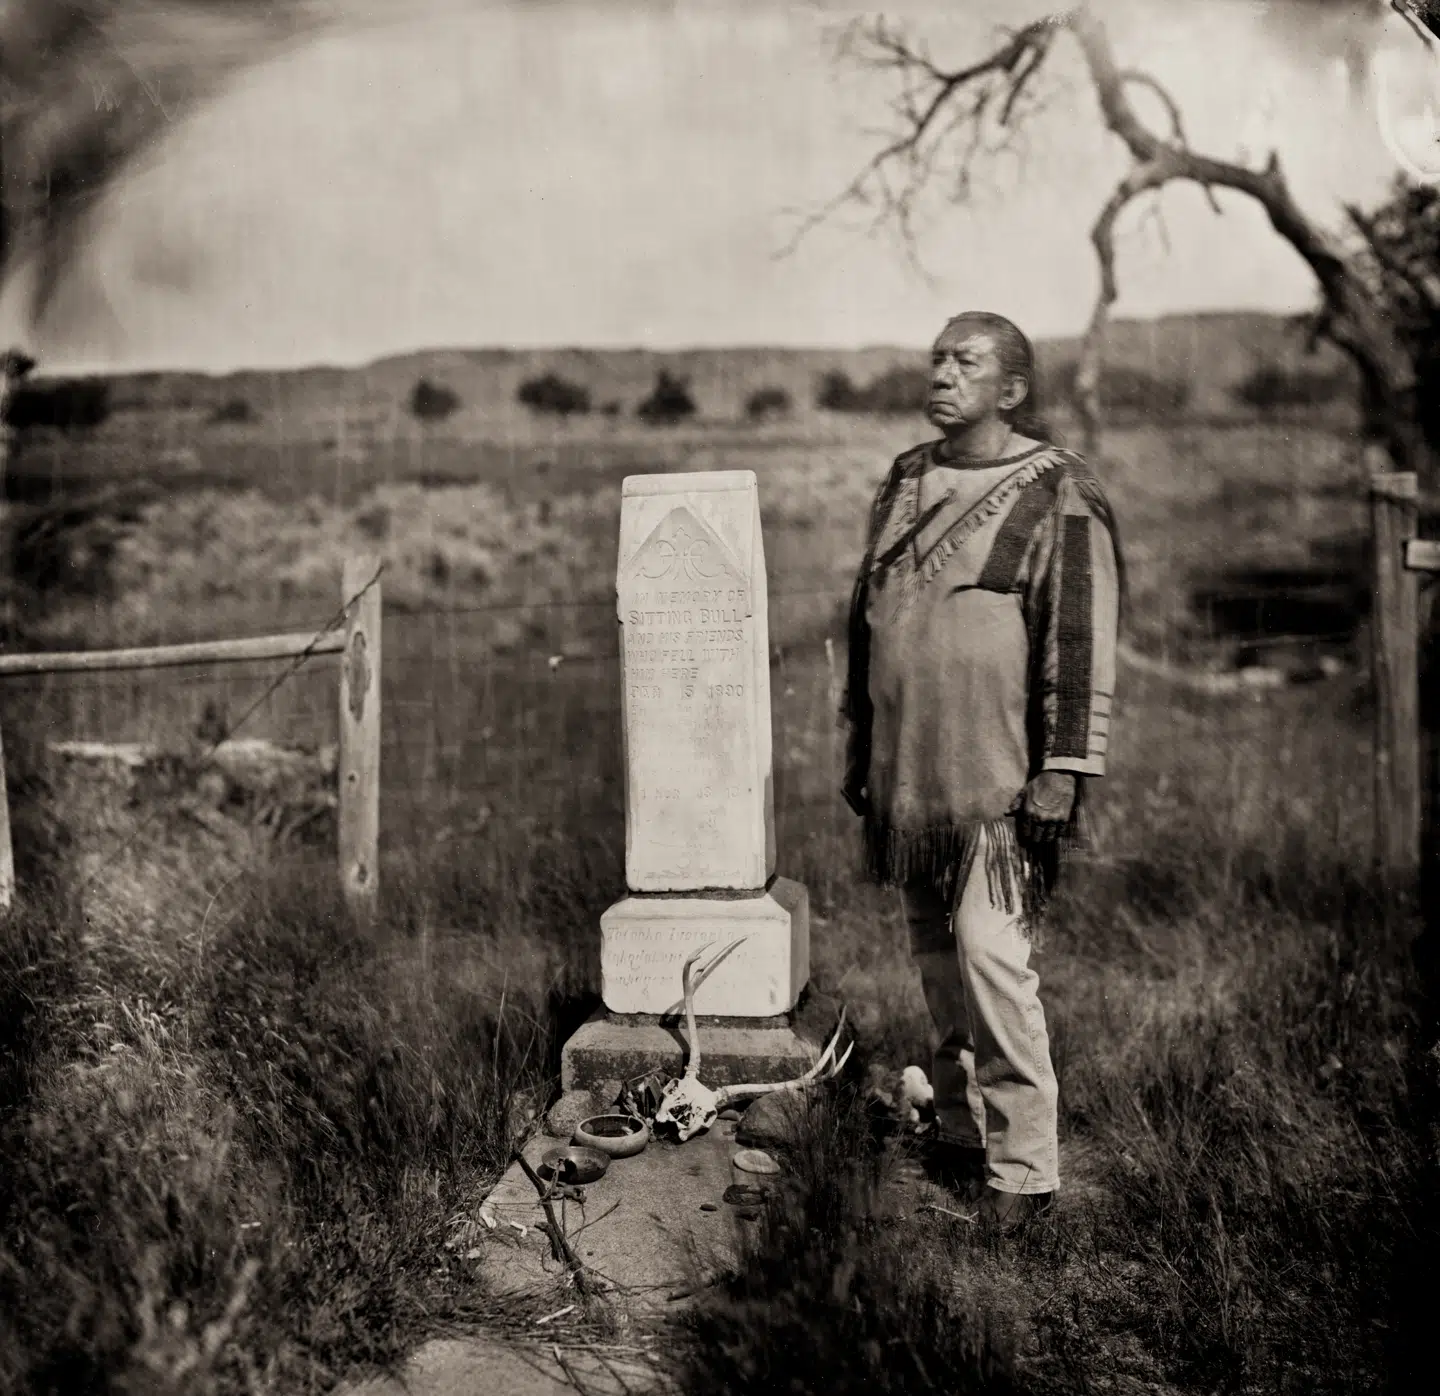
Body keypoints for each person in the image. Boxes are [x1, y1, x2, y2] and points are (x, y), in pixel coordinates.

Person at [841, 311, 1121, 1231]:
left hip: (1001, 781)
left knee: (991, 957)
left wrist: (1065, 769)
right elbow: (868, 619)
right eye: (936, 360)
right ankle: (961, 1129)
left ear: (1012, 390)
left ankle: (1026, 1172)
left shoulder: (1057, 488)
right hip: (908, 776)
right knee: (936, 958)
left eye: (965, 362)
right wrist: (862, 751)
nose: (942, 375)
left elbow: (1078, 634)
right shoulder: (905, 478)